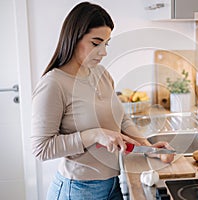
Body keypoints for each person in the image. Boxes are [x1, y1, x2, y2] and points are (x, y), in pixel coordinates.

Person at [31, 2, 174, 200]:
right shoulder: (53, 83)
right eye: (96, 43)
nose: (103, 52)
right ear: (74, 37)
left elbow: (121, 118)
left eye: (106, 44)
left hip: (111, 185)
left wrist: (147, 146)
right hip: (78, 190)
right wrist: (95, 135)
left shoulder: (101, 74)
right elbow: (41, 149)